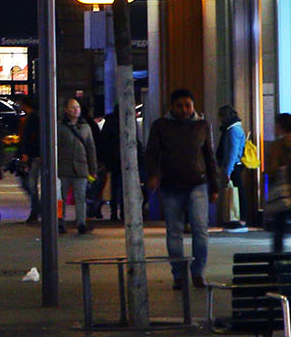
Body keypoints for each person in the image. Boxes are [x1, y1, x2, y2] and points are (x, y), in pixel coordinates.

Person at [142, 87, 222, 290]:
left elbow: (209, 157)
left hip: (198, 184)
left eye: (188, 105)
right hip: (170, 185)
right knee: (174, 231)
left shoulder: (202, 125)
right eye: (180, 106)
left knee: (200, 230)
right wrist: (152, 175)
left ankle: (198, 273)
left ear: (194, 106)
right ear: (172, 107)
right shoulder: (161, 126)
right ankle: (178, 274)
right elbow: (151, 153)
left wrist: (214, 185)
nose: (185, 110)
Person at [58, 97, 97, 235]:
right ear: (66, 110)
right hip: (63, 168)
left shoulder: (85, 127)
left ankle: (81, 223)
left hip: (81, 168)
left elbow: (90, 148)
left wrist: (93, 169)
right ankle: (59, 222)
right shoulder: (60, 127)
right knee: (60, 198)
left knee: (80, 197)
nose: (76, 110)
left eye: (78, 107)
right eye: (73, 107)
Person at [218, 104, 252, 232]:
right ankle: (236, 218)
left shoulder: (233, 131)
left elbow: (232, 152)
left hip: (234, 166)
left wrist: (228, 170)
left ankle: (240, 218)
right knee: (235, 191)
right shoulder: (234, 129)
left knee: (237, 192)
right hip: (234, 165)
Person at [264, 113, 291, 254]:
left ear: (280, 126)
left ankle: (277, 263)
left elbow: (271, 170)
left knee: (279, 231)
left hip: (282, 194)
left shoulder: (277, 146)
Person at [94, 102, 125, 221]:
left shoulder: (109, 122)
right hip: (123, 160)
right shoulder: (126, 121)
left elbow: (103, 142)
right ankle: (123, 211)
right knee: (122, 187)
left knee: (113, 186)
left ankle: (113, 211)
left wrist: (103, 159)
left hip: (112, 161)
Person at [16, 97, 44, 223]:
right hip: (33, 155)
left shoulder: (33, 118)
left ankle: (36, 209)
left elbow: (31, 138)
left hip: (35, 156)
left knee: (30, 184)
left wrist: (27, 153)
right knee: (29, 183)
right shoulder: (31, 117)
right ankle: (37, 208)